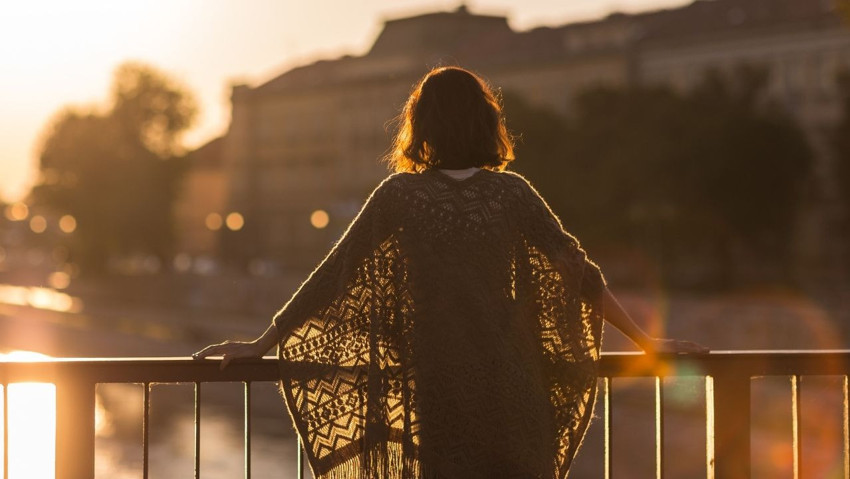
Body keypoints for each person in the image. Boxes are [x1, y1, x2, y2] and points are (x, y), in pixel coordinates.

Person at [194, 66, 707, 478]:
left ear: (421, 125)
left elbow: (335, 277)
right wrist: (645, 341)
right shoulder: (513, 194)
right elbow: (583, 276)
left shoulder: (399, 195)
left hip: (441, 387)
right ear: (487, 122)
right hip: (514, 384)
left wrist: (262, 343)